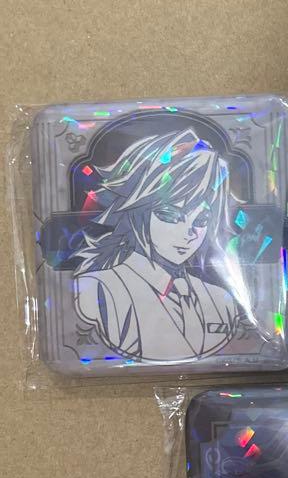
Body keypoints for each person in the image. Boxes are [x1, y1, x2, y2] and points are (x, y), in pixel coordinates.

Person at [71, 128, 244, 362]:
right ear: (138, 212)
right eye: (170, 215)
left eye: (201, 220)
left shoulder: (220, 299)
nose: (189, 233)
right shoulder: (97, 289)